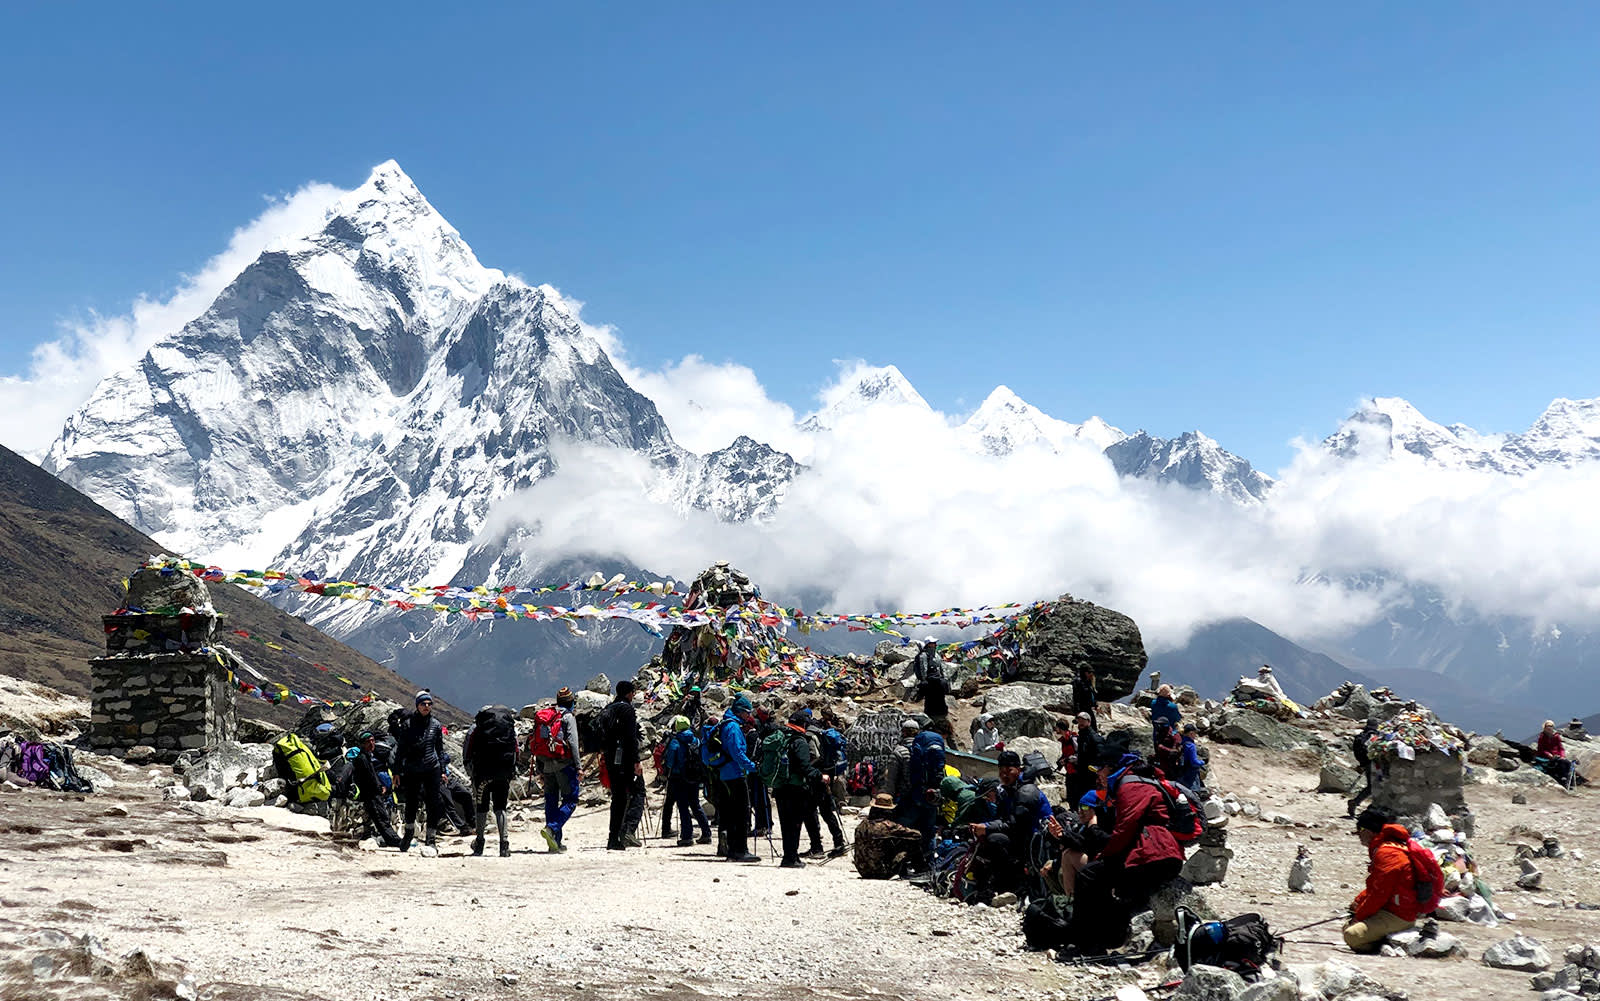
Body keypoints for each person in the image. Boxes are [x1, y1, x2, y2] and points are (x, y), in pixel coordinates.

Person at [1066, 759, 1186, 953]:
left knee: (1088, 876)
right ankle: (1104, 938)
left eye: (1101, 769)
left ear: (1111, 768)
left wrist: (1104, 852)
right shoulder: (1137, 784)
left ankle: (1086, 944)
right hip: (1159, 853)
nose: (1099, 775)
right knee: (1106, 882)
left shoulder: (1129, 787)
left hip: (1153, 854)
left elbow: (1125, 829)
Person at [967, 749, 1050, 902]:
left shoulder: (1027, 791)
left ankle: (1012, 884)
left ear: (1018, 769)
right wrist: (984, 826)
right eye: (1001, 771)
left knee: (995, 839)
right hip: (1020, 837)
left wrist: (987, 827)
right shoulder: (1007, 790)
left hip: (1034, 842)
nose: (1004, 775)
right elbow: (1002, 818)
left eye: (1009, 770)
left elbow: (1016, 824)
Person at [1343, 807, 1420, 952]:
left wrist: (1359, 916)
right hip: (1392, 908)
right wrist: (1359, 901)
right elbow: (1376, 886)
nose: (1359, 836)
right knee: (1348, 927)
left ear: (1368, 831)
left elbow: (1380, 893)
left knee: (1351, 934)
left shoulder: (1387, 854)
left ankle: (1385, 945)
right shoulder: (1388, 848)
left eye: (1359, 831)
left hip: (1398, 914)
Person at [709, 694, 761, 863]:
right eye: (747, 712)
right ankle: (739, 850)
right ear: (740, 712)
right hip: (734, 774)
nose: (749, 716)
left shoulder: (727, 724)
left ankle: (733, 850)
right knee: (741, 812)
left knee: (732, 812)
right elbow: (737, 752)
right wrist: (752, 767)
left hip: (726, 773)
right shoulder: (733, 727)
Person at [394, 691, 447, 854]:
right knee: (411, 802)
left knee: (433, 803)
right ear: (417, 705)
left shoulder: (436, 725)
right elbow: (401, 749)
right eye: (423, 704)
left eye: (429, 704)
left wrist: (443, 770)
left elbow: (440, 749)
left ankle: (431, 838)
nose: (426, 707)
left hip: (432, 768)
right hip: (412, 768)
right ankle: (409, 834)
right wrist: (396, 771)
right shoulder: (408, 724)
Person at [770, 710, 822, 868]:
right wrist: (820, 776)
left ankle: (788, 856)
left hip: (780, 787)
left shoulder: (781, 737)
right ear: (803, 724)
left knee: (785, 823)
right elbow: (804, 767)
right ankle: (791, 858)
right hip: (796, 789)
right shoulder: (800, 741)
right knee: (795, 824)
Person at [534, 687, 582, 853]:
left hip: (546, 765)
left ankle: (554, 843)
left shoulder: (547, 716)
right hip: (564, 764)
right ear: (571, 702)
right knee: (571, 800)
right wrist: (579, 766)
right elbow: (574, 744)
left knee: (551, 801)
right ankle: (552, 829)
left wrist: (540, 767)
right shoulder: (568, 717)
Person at [601, 680, 643, 851]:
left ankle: (613, 838)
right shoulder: (627, 710)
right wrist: (637, 761)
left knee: (617, 798)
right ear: (628, 693)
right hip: (625, 760)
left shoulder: (609, 709)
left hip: (610, 758)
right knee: (638, 791)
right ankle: (628, 830)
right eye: (633, 692)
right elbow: (631, 738)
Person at [339, 731, 401, 848]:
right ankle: (394, 841)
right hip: (370, 794)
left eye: (373, 741)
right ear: (362, 744)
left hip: (373, 792)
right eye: (368, 742)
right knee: (381, 818)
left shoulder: (367, 757)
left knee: (383, 817)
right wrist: (378, 788)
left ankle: (394, 839)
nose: (372, 744)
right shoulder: (362, 758)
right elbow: (369, 777)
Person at [662, 715, 713, 847]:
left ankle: (686, 836)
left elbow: (670, 761)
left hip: (679, 777)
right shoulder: (696, 740)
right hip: (695, 777)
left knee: (683, 807)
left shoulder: (675, 741)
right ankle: (706, 833)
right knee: (695, 805)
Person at [804, 713, 848, 858]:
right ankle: (839, 843)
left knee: (810, 814)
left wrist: (807, 768)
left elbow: (815, 756)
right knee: (828, 813)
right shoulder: (822, 734)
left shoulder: (810, 735)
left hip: (817, 779)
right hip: (827, 776)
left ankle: (816, 848)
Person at [852, 792, 925, 878]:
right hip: (881, 872)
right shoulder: (888, 826)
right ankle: (921, 871)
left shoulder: (862, 825)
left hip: (863, 871)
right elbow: (917, 835)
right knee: (912, 843)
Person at [1346, 718, 1378, 818]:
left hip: (1365, 763)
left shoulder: (1361, 735)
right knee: (1375, 787)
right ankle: (1360, 803)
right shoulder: (1374, 735)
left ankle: (1356, 802)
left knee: (1371, 787)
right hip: (1375, 763)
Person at [883, 718, 920, 803]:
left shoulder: (899, 751)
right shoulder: (923, 749)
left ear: (904, 732)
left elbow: (891, 778)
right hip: (921, 795)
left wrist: (889, 796)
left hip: (904, 796)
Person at [1068, 713, 1101, 805]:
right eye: (1078, 722)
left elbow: (1100, 755)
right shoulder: (1081, 736)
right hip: (1081, 774)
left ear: (1089, 722)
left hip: (1090, 776)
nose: (1080, 723)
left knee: (1090, 800)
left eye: (1082, 721)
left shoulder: (1093, 737)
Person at [918, 640, 950, 722]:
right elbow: (923, 669)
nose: (935, 645)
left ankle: (940, 714)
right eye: (933, 643)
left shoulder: (937, 655)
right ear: (928, 645)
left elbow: (941, 667)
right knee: (930, 698)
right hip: (930, 681)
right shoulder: (923, 655)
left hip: (937, 680)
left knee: (938, 698)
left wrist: (943, 678)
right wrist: (924, 680)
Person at [1535, 720, 1574, 786]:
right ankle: (1564, 778)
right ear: (1545, 727)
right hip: (1546, 756)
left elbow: (1560, 748)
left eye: (1551, 726)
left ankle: (1568, 778)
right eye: (1548, 726)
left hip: (1557, 755)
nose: (1549, 727)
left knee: (1567, 762)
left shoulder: (1556, 736)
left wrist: (1562, 755)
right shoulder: (1542, 737)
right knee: (1561, 762)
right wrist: (1549, 755)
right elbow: (1541, 749)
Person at [1177, 723, 1206, 791]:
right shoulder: (1191, 746)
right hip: (1191, 772)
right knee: (1192, 791)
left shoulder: (1182, 741)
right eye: (1195, 733)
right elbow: (1194, 762)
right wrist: (1202, 762)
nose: (1196, 735)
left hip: (1182, 769)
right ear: (1191, 733)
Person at [1073, 664, 1100, 730]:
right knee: (1085, 727)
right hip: (1082, 708)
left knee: (1093, 726)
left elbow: (1092, 694)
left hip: (1088, 707)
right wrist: (1077, 711)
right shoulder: (1078, 682)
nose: (1091, 674)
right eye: (1089, 672)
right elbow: (1076, 697)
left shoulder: (1088, 681)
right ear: (1084, 673)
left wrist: (1096, 705)